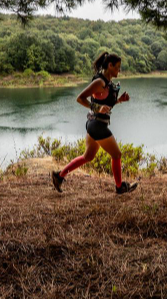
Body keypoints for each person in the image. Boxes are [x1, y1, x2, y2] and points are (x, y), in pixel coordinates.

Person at [51, 52, 138, 194]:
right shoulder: (99, 82)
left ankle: (59, 176)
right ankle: (120, 187)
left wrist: (119, 100)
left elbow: (105, 104)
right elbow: (80, 98)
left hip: (95, 124)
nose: (119, 70)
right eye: (117, 67)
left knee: (88, 156)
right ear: (110, 65)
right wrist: (97, 108)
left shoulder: (107, 83)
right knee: (116, 155)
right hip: (97, 125)